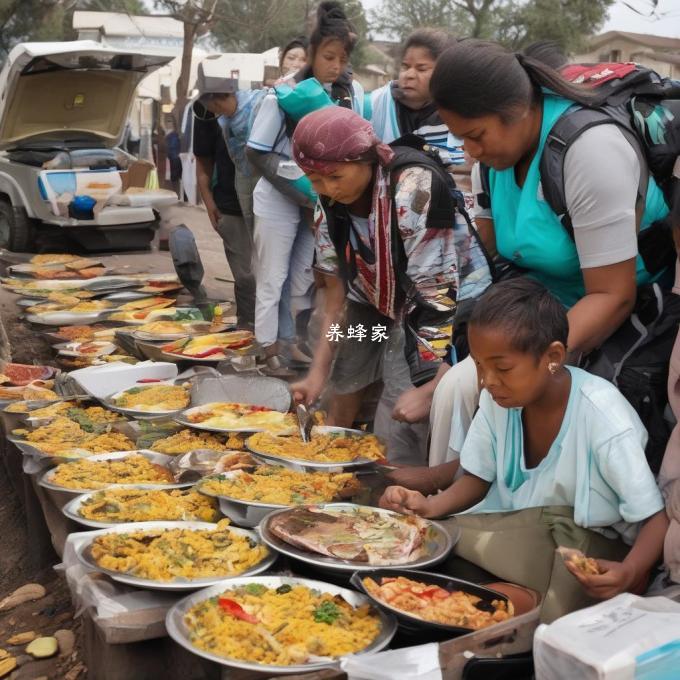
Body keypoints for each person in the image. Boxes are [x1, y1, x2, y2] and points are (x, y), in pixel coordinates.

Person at [422, 39, 670, 468]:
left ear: (517, 110)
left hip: (615, 314)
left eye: (476, 136)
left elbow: (614, 295)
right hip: (536, 314)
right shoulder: (493, 162)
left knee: (518, 409)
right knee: (453, 391)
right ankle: (443, 515)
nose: (469, 152)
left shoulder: (590, 151)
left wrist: (524, 365)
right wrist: (468, 355)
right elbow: (493, 264)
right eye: (461, 138)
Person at [382, 279, 668, 621]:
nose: (487, 381)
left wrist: (632, 571)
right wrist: (429, 507)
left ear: (553, 357)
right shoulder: (498, 398)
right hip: (516, 537)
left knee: (473, 608)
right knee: (417, 556)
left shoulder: (603, 417)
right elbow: (478, 478)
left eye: (502, 368)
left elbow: (655, 517)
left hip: (583, 552)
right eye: (479, 366)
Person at [288, 106, 458, 456]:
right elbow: (334, 293)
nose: (328, 190)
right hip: (371, 299)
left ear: (367, 159)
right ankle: (329, 463)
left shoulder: (413, 190)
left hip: (429, 307)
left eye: (336, 177)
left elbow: (436, 297)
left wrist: (427, 386)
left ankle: (396, 478)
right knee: (343, 371)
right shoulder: (327, 202)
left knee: (399, 405)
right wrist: (317, 373)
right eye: (315, 179)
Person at [247, 1, 366, 374]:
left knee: (300, 275)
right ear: (312, 54)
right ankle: (267, 348)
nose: (336, 65)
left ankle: (290, 340)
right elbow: (257, 152)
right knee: (273, 275)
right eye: (328, 56)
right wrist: (302, 191)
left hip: (318, 200)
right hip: (280, 196)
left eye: (342, 58)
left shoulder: (351, 93)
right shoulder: (283, 94)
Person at [193, 103, 255, 329]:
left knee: (275, 277)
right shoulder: (204, 111)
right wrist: (209, 203)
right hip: (230, 206)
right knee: (246, 276)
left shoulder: (257, 104)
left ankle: (280, 338)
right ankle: (248, 331)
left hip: (271, 206)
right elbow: (203, 163)